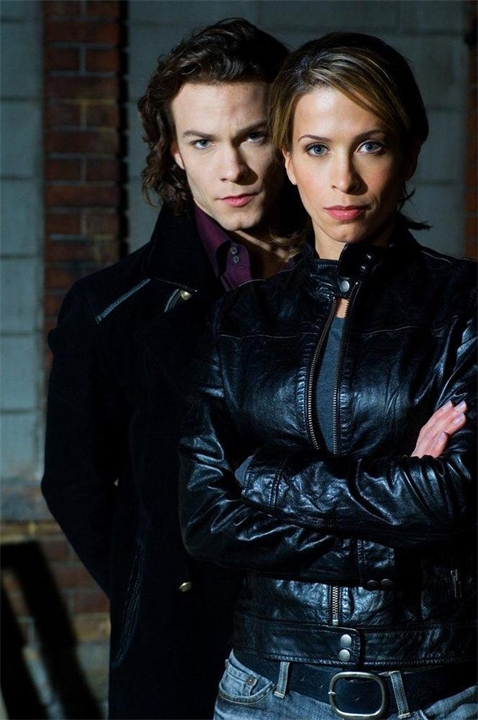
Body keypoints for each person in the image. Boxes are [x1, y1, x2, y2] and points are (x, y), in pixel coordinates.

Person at [179, 32, 477, 720]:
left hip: (437, 694)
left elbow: (457, 494)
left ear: (409, 153)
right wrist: (392, 520)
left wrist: (263, 474)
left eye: (370, 145)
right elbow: (206, 517)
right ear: (287, 160)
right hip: (266, 694)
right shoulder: (240, 320)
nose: (343, 180)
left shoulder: (465, 302)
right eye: (317, 149)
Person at [41, 18, 302, 720]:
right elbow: (74, 483)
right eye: (203, 141)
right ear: (174, 152)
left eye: (253, 136)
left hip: (342, 646)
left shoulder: (360, 279)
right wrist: (152, 591)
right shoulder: (109, 308)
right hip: (182, 652)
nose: (232, 169)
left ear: (289, 136)